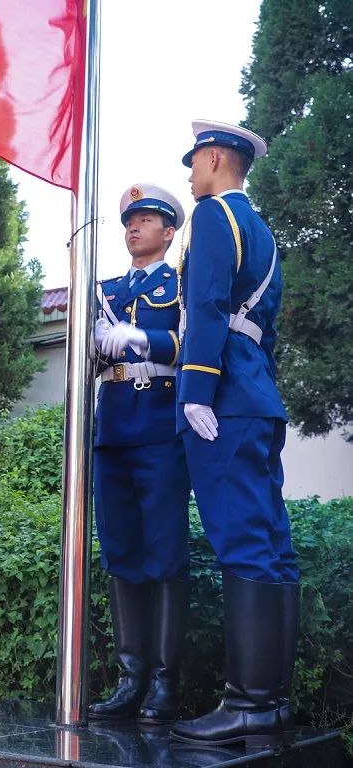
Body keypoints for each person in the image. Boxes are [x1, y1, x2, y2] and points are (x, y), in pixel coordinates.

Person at [170, 120, 299, 750]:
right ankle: (271, 704)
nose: (189, 172)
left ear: (217, 157)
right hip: (256, 394)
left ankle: (248, 703)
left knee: (243, 543)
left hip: (222, 398)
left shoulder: (215, 217)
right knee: (271, 545)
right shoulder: (262, 228)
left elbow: (211, 307)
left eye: (193, 161)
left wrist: (194, 391)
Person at [88, 183, 191, 725]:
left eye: (147, 220)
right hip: (114, 427)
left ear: (168, 232)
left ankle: (165, 682)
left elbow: (192, 340)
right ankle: (131, 678)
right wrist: (93, 340)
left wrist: (141, 339)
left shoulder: (179, 284)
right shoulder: (101, 289)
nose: (134, 227)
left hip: (160, 421)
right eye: (130, 220)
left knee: (165, 553)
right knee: (122, 551)